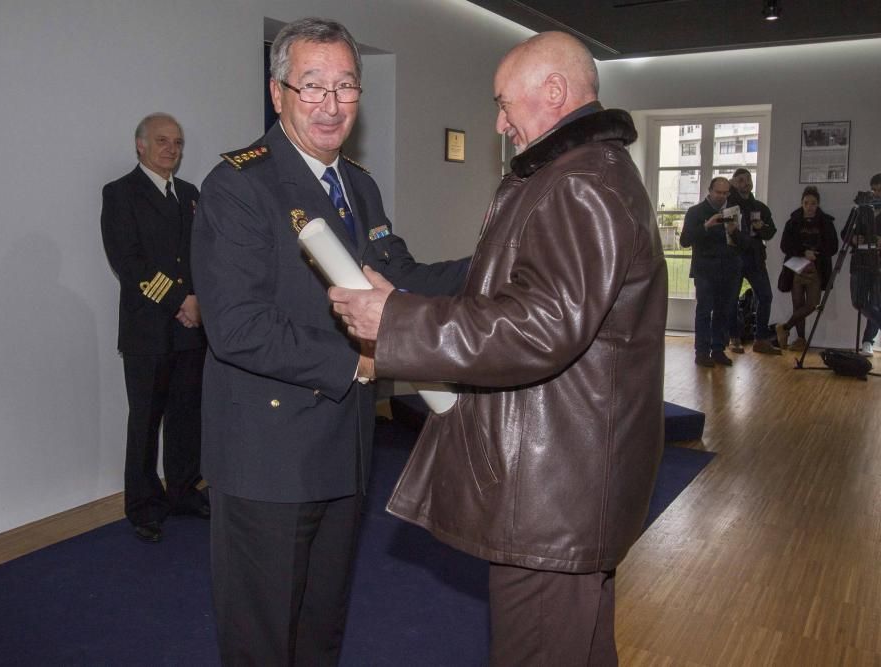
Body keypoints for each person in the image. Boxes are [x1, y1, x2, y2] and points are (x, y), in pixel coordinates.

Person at [330, 31, 666, 666]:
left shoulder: (577, 183)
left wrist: (396, 321)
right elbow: (520, 302)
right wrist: (402, 302)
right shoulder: (590, 172)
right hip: (570, 479)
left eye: (505, 103)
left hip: (553, 491)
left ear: (556, 92)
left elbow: (539, 327)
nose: (499, 121)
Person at [191, 18, 468, 666]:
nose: (331, 103)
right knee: (263, 640)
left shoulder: (358, 186)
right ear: (278, 91)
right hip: (269, 458)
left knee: (321, 631)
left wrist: (495, 260)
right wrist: (361, 362)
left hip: (344, 447)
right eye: (312, 86)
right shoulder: (239, 185)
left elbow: (398, 276)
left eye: (346, 87)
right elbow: (237, 327)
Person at [101, 113, 209, 544]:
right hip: (148, 329)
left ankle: (183, 491)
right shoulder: (120, 193)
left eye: (178, 142)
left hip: (190, 328)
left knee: (186, 418)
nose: (171, 149)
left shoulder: (190, 194)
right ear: (140, 146)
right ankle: (144, 505)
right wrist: (179, 300)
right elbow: (127, 261)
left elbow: (202, 254)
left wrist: (198, 300)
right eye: (162, 141)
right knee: (145, 421)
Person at [680, 177, 743, 367]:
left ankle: (718, 350)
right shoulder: (696, 212)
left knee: (723, 311)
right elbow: (685, 241)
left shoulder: (733, 212)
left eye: (725, 193)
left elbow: (743, 243)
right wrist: (707, 226)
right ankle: (701, 352)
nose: (722, 196)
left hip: (729, 269)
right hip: (705, 269)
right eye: (718, 192)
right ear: (710, 190)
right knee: (705, 311)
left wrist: (734, 231)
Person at [776, 186, 838, 352]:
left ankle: (785, 327)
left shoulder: (826, 222)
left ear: (818, 204)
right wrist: (803, 251)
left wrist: (815, 254)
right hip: (796, 268)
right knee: (798, 304)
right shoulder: (793, 221)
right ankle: (801, 339)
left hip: (816, 269)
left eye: (813, 203)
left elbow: (833, 247)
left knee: (812, 304)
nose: (809, 206)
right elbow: (785, 245)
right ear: (801, 203)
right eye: (806, 203)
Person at [727, 168, 779, 354]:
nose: (746, 183)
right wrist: (730, 186)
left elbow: (771, 232)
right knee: (731, 299)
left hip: (755, 258)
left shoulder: (760, 207)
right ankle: (734, 337)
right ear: (734, 183)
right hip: (734, 258)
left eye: (748, 179)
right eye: (740, 180)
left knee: (765, 296)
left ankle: (761, 338)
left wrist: (761, 227)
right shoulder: (730, 205)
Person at [845, 173, 881, 355]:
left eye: (880, 190)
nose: (876, 194)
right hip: (859, 261)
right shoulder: (860, 208)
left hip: (879, 264)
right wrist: (853, 239)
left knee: (877, 303)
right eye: (874, 190)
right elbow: (845, 233)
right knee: (858, 301)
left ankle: (868, 341)